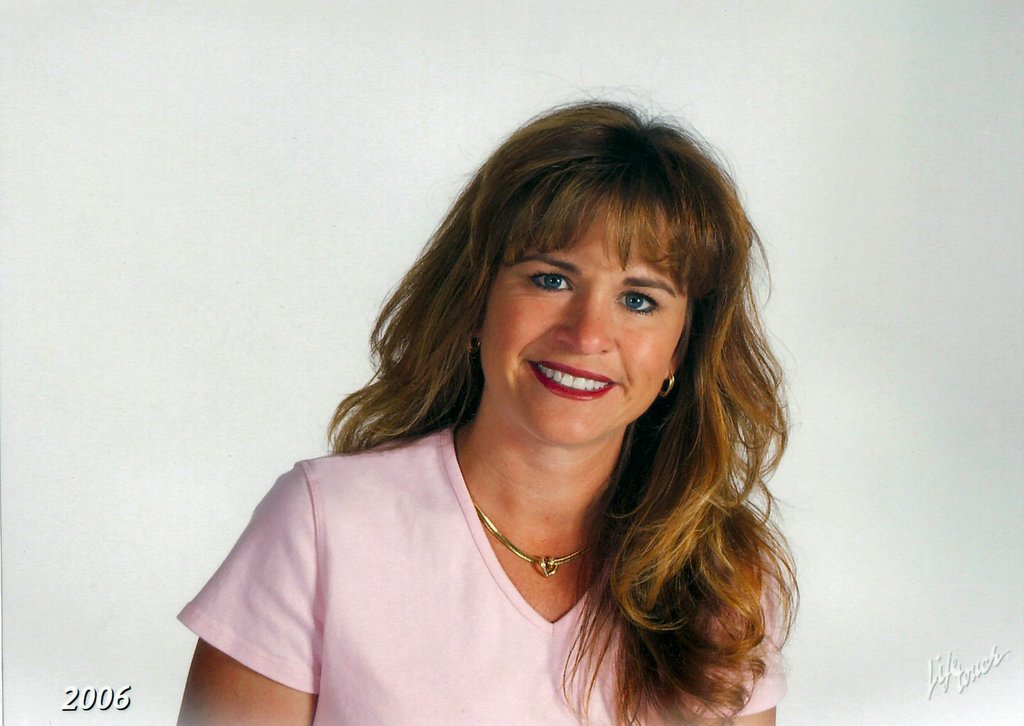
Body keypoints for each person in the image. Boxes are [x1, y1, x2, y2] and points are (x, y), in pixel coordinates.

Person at [177, 101, 797, 725]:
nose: (587, 335)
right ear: (476, 301)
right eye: (551, 279)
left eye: (638, 300)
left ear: (680, 351)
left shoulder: (725, 574)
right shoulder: (324, 525)